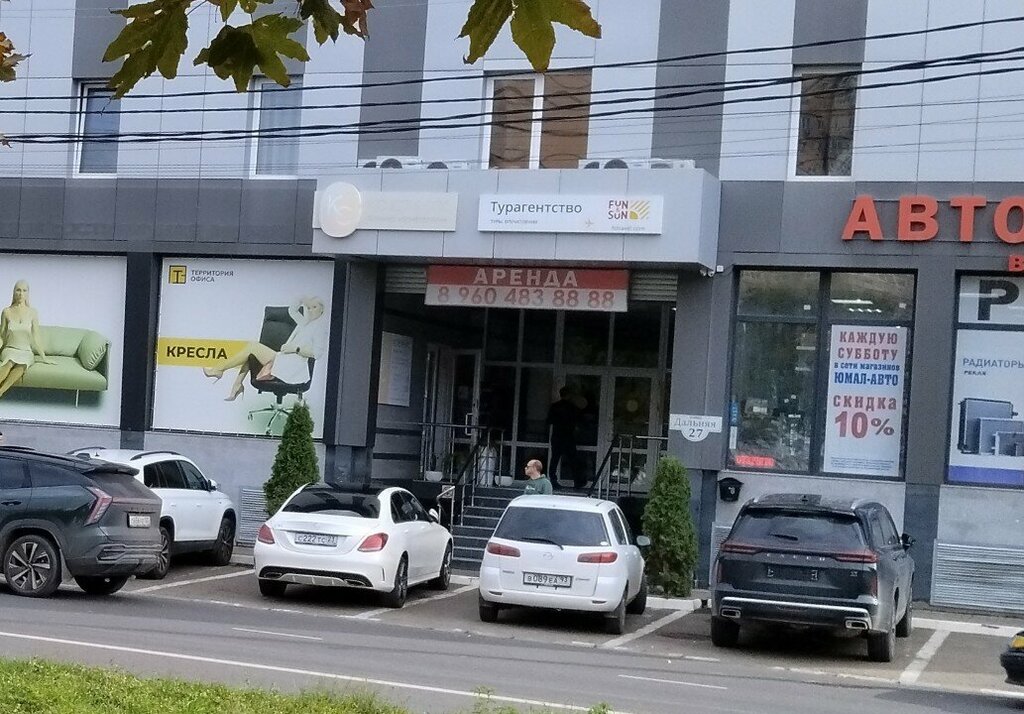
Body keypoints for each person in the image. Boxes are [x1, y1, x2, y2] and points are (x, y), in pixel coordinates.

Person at [203, 296, 327, 401]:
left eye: (314, 307)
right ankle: (237, 384)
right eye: (309, 308)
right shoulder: (306, 323)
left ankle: (219, 370)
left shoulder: (320, 328)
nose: (311, 310)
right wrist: (302, 299)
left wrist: (295, 348)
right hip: (285, 359)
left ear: (322, 309)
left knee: (252, 346)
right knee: (251, 353)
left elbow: (317, 354)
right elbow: (292, 310)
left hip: (293, 366)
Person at [0, 280, 53, 399]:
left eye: (24, 290)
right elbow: (2, 336)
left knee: (22, 365)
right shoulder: (6, 312)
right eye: (18, 290)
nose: (21, 294)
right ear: (14, 292)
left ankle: (1, 391)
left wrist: (44, 357)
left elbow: (36, 336)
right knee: (9, 363)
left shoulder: (33, 312)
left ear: (28, 293)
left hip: (26, 351)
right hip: (10, 349)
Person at [546, 386, 582, 489]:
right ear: (569, 395)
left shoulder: (555, 406)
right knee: (573, 459)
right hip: (568, 436)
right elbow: (579, 420)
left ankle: (553, 481)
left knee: (555, 459)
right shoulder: (572, 407)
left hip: (557, 436)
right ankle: (577, 481)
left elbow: (549, 420)